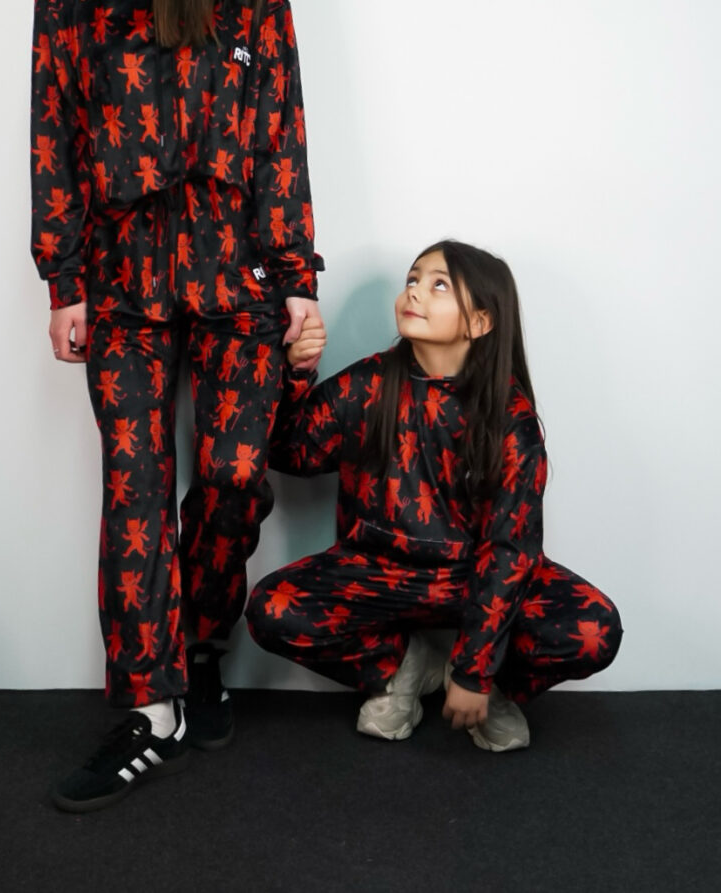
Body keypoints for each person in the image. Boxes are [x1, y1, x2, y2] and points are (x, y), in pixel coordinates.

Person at [30, 0, 324, 812]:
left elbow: (282, 137)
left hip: (240, 276)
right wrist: (63, 280)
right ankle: (148, 709)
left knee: (236, 477)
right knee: (138, 489)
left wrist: (298, 279)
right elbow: (54, 137)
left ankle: (197, 648)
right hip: (122, 283)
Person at [247, 241, 622, 749]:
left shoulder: (510, 418)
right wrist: (295, 372)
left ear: (480, 322)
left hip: (474, 576)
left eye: (438, 284)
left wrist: (475, 671)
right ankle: (405, 669)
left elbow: (510, 549)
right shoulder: (366, 383)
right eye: (412, 279)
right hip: (375, 570)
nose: (415, 292)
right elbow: (290, 452)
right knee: (271, 609)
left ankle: (491, 690)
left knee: (594, 628)